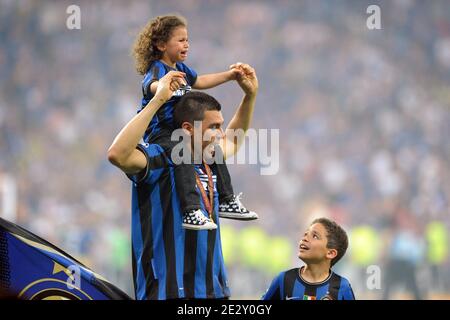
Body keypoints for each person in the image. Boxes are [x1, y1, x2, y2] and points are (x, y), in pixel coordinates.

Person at [107, 63, 259, 299]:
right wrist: (157, 101)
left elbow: (234, 140)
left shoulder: (211, 159)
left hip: (212, 288)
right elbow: (118, 154)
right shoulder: (161, 157)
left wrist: (249, 96)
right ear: (187, 129)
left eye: (220, 125)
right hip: (166, 289)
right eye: (214, 127)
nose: (220, 133)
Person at [131, 15, 257, 230]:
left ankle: (226, 200)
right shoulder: (158, 69)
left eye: (187, 39)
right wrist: (162, 89)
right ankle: (190, 210)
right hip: (161, 132)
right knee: (183, 153)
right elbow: (150, 86)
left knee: (213, 150)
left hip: (181, 130)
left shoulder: (181, 69)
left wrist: (231, 76)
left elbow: (200, 82)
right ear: (161, 44)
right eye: (180, 40)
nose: (186, 44)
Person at [262, 218, 355, 300]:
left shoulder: (342, 286)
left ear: (330, 253)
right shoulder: (283, 279)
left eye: (315, 236)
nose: (304, 238)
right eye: (306, 234)